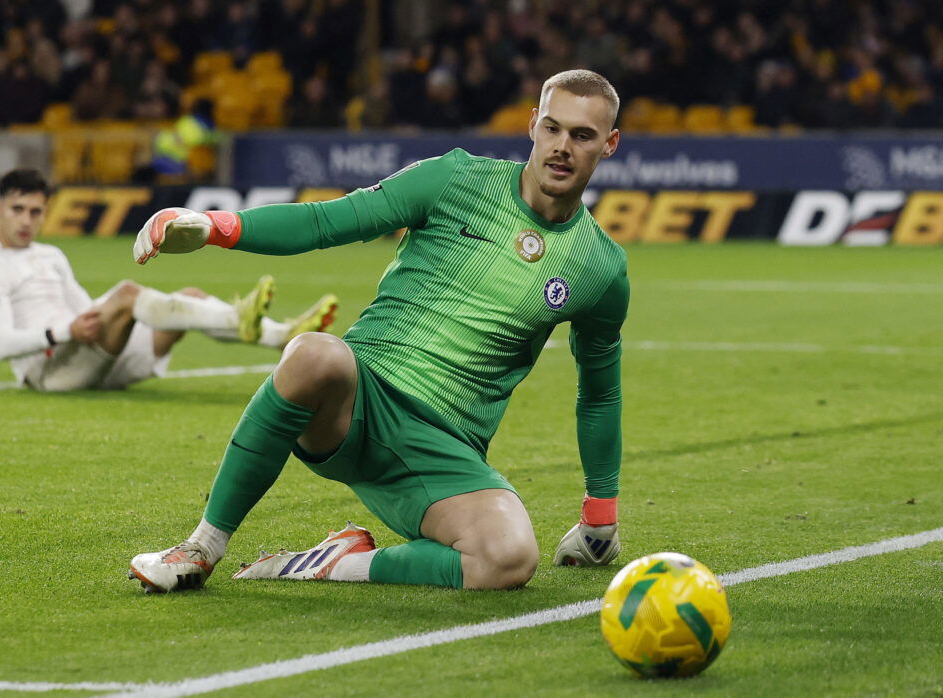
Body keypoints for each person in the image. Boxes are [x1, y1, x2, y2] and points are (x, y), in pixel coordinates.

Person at [128, 69, 627, 593]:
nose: (562, 146)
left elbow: (599, 393)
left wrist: (600, 514)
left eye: (582, 135)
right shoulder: (454, 178)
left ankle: (332, 563)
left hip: (443, 450)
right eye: (552, 128)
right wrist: (216, 227)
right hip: (356, 402)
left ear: (609, 144)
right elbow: (328, 221)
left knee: (508, 559)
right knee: (316, 354)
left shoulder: (600, 267)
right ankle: (201, 547)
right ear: (532, 125)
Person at [0, 169, 338, 392]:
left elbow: (83, 307)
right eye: (17, 210)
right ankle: (251, 324)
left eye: (35, 212)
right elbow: (1, 345)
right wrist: (65, 332)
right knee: (128, 294)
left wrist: (92, 320)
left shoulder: (50, 255)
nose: (26, 220)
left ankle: (280, 336)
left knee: (191, 298)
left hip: (90, 351)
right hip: (49, 370)